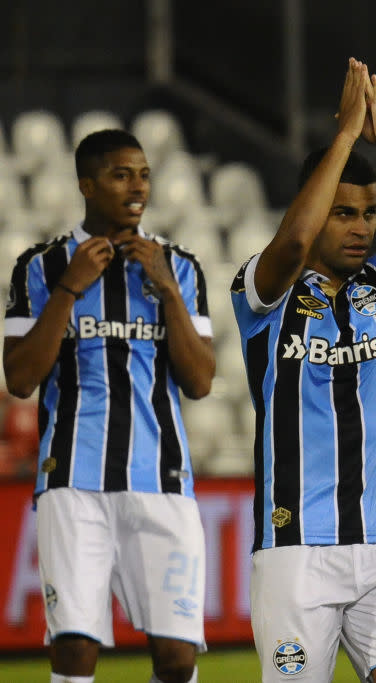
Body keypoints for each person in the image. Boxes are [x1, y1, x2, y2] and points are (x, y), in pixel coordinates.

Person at [230, 58, 376, 683]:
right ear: (312, 209)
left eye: (368, 213)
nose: (361, 228)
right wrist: (341, 136)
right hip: (295, 550)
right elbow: (291, 243)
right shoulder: (264, 290)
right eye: (343, 213)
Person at [3, 129, 215, 683]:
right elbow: (21, 378)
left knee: (176, 658)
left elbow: (199, 382)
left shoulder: (182, 267)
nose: (137, 186)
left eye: (143, 173)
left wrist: (167, 290)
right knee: (74, 647)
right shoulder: (41, 267)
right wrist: (70, 289)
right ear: (87, 185)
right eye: (122, 175)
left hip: (162, 480)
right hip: (73, 480)